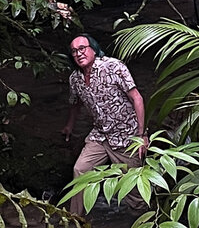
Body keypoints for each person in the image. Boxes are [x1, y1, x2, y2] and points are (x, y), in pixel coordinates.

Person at [61, 34, 146, 215]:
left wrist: (141, 135)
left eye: (82, 48)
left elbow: (136, 98)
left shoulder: (114, 66)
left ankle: (144, 223)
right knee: (80, 170)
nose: (78, 54)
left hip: (126, 136)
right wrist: (69, 125)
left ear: (93, 49)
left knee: (134, 192)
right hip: (100, 135)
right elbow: (75, 103)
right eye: (74, 51)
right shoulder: (75, 78)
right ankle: (76, 220)